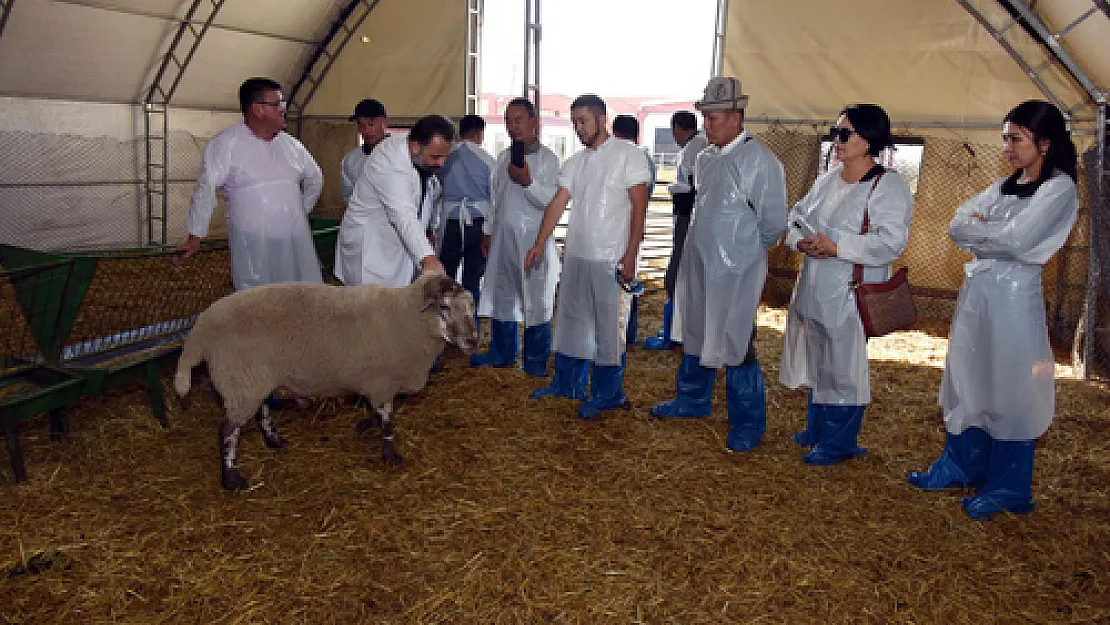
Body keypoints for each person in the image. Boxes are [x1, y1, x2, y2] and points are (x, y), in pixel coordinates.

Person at [908, 100, 1078, 519]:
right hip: (979, 296)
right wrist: (989, 233)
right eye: (1005, 138)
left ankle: (1008, 486)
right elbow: (957, 223)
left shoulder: (1059, 189)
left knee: (1011, 384)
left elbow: (1020, 242)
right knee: (969, 375)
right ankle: (962, 463)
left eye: (1015, 139)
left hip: (1014, 300)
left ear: (1044, 143)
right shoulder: (1007, 184)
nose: (1007, 147)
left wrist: (983, 232)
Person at [649, 77, 788, 453]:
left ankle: (748, 422)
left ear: (737, 117)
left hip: (735, 271)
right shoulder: (706, 157)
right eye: (705, 117)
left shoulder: (759, 162)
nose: (707, 125)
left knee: (736, 338)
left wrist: (743, 256)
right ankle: (692, 399)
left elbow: (773, 222)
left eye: (715, 117)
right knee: (695, 327)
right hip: (700, 261)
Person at [779, 103, 914, 465]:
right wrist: (800, 241)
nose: (836, 141)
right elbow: (796, 215)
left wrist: (838, 246)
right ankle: (819, 428)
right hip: (814, 284)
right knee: (819, 355)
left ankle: (840, 441)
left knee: (843, 362)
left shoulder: (888, 187)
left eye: (844, 134)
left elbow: (891, 241)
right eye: (834, 133)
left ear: (869, 140)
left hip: (849, 290)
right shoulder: (828, 180)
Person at [524, 94, 652, 419]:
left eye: (583, 121)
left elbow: (639, 210)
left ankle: (609, 393)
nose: (578, 128)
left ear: (601, 118)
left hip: (610, 258)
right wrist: (540, 241)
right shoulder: (576, 163)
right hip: (578, 256)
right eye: (574, 122)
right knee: (571, 320)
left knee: (609, 327)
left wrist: (631, 254)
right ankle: (568, 383)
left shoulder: (629, 156)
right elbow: (557, 203)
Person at [173, 77, 323, 291]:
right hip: (253, 242)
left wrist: (299, 212)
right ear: (257, 109)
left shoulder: (292, 145)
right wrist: (195, 235)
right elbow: (205, 189)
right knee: (258, 299)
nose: (283, 109)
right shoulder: (226, 145)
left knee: (300, 291)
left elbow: (315, 178)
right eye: (278, 104)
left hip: (294, 238)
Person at [469, 98, 561, 376]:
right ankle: (503, 351)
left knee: (535, 298)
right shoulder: (503, 157)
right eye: (508, 120)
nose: (512, 126)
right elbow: (495, 198)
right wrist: (487, 231)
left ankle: (535, 360)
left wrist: (528, 182)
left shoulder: (548, 160)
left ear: (534, 121)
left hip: (533, 239)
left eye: (518, 119)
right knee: (502, 292)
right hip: (503, 239)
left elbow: (551, 202)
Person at [335, 115, 453, 288]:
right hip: (371, 248)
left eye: (444, 157)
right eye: (435, 157)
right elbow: (403, 215)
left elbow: (426, 198)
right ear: (415, 147)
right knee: (369, 309)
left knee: (395, 303)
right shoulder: (389, 162)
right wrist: (428, 259)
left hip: (397, 243)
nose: (441, 163)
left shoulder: (418, 156)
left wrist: (428, 231)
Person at [643, 110, 708, 350]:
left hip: (688, 215)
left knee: (678, 270)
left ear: (679, 128)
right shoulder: (700, 146)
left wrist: (676, 192)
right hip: (689, 214)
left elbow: (691, 184)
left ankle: (674, 332)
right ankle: (675, 329)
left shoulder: (695, 148)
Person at [434, 114, 496, 306]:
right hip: (478, 223)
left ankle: (446, 315)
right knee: (473, 276)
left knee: (447, 274)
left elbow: (434, 190)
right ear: (479, 133)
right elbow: (495, 198)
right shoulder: (487, 160)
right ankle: (471, 320)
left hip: (450, 221)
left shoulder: (446, 157)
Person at [611, 114, 657, 345]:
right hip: (634, 228)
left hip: (624, 228)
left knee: (623, 280)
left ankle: (626, 333)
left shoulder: (629, 158)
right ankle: (628, 332)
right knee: (628, 277)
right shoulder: (645, 158)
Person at [339, 98, 389, 204]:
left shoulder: (403, 155)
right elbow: (348, 198)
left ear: (385, 123)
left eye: (371, 124)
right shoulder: (350, 161)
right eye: (361, 125)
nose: (366, 131)